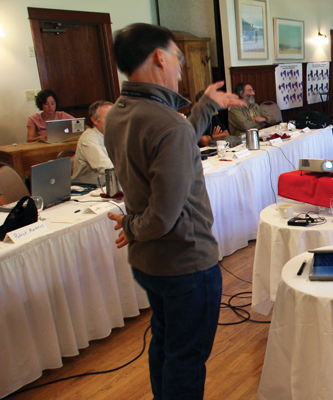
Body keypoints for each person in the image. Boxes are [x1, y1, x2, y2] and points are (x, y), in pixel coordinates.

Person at [103, 23, 245, 400]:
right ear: (158, 58)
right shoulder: (167, 123)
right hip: (187, 265)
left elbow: (173, 144)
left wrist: (204, 106)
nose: (181, 69)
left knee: (166, 347)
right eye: (178, 60)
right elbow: (162, 215)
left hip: (151, 263)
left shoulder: (118, 113)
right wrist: (132, 227)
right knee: (185, 360)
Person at [72, 101, 115, 185]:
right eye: (108, 118)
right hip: (86, 188)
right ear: (95, 120)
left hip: (107, 183)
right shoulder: (89, 139)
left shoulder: (115, 134)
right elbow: (107, 168)